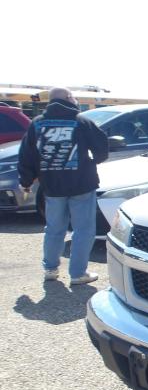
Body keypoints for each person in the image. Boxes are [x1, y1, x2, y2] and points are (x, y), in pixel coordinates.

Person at [18, 87, 109, 286]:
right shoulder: (81, 121)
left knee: (54, 229)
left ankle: (50, 269)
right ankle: (78, 273)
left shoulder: (37, 123)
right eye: (73, 96)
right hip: (82, 184)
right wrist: (91, 163)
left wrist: (26, 181)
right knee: (83, 229)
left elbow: (27, 155)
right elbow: (102, 147)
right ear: (68, 98)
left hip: (52, 186)